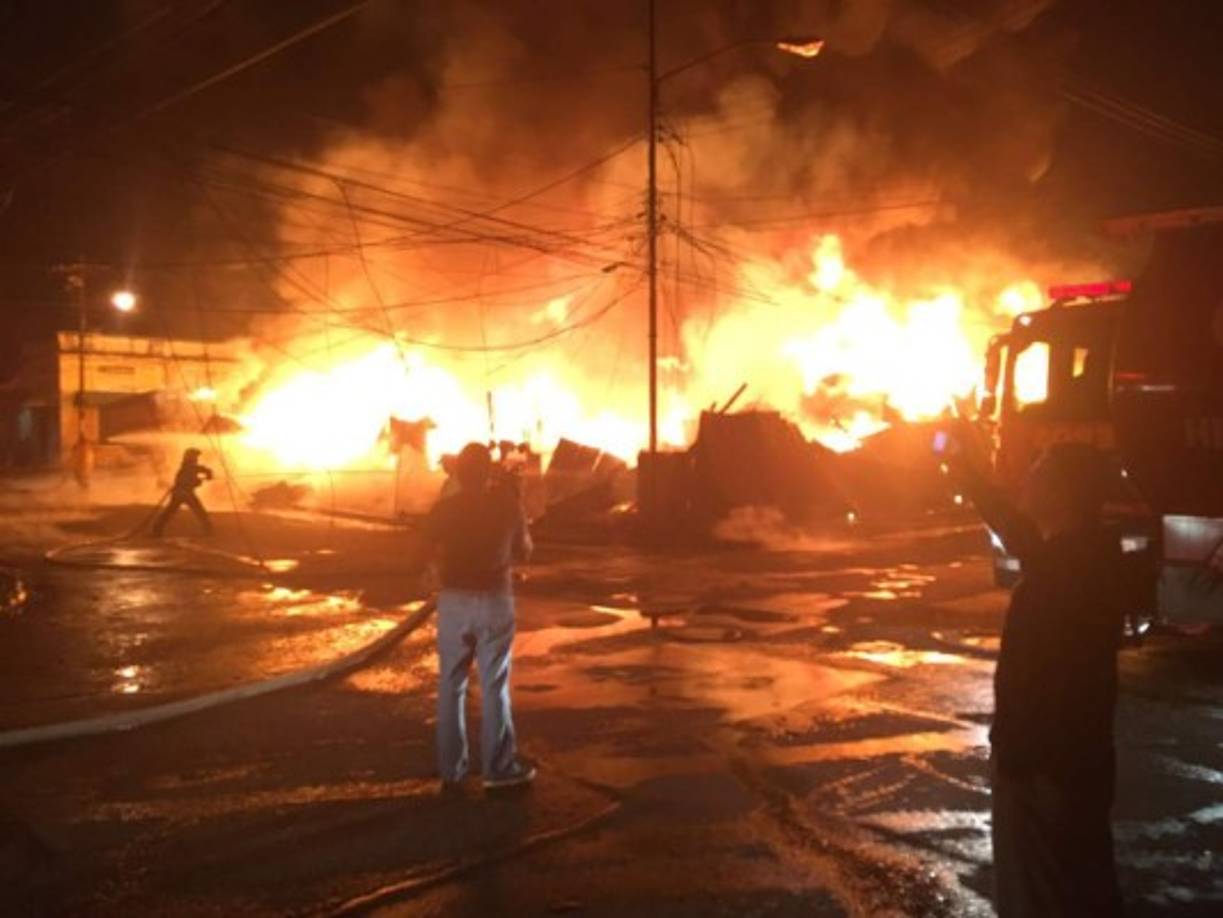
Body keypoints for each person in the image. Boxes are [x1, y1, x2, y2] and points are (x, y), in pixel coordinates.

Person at [945, 432, 1126, 917]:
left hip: (1046, 769)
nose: (1029, 476)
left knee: (1043, 897)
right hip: (1065, 766)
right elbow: (1022, 535)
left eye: (1040, 469)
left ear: (1064, 491)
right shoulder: (1080, 555)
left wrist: (1022, 759)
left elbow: (1057, 681)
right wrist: (970, 475)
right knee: (1079, 888)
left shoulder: (1072, 569)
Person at [419, 441, 535, 791]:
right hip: (495, 602)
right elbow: (525, 551)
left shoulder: (446, 508)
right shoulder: (507, 505)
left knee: (450, 686)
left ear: (457, 472)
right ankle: (498, 769)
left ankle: (451, 770)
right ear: (489, 472)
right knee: (494, 685)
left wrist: (432, 570)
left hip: (453, 603)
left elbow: (419, 549)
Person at [151, 448, 214, 537]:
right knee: (199, 511)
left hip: (179, 493)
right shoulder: (190, 466)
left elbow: (200, 473)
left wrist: (203, 478)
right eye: (196, 456)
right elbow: (194, 477)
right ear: (190, 457)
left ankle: (157, 530)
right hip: (185, 493)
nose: (197, 458)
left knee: (169, 512)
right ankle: (208, 530)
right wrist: (201, 479)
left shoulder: (187, 466)